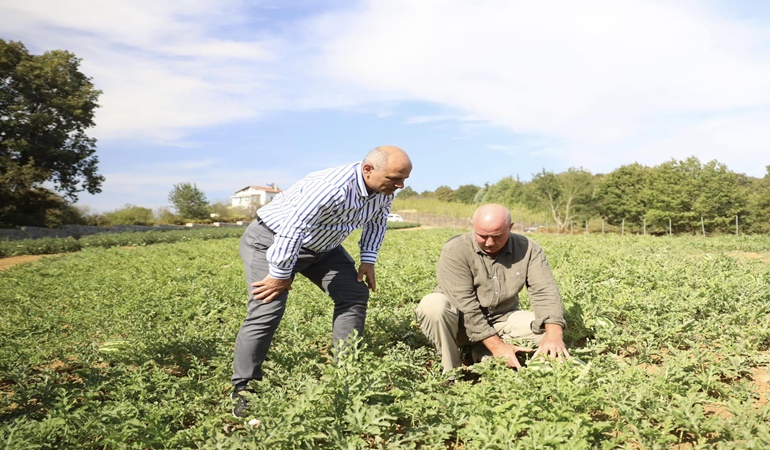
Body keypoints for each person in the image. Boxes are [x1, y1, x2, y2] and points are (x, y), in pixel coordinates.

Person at [230, 145, 413, 418]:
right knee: (267, 308)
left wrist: (368, 260)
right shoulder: (331, 187)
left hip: (323, 249)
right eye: (394, 179)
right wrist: (281, 275)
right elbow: (293, 229)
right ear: (368, 170)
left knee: (353, 294)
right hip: (272, 241)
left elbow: (377, 222)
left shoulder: (382, 190)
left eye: (403, 180)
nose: (399, 186)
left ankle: (346, 371)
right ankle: (244, 388)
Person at [415, 204, 570, 375]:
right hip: (459, 325)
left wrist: (554, 334)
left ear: (510, 228)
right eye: (482, 236)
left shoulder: (529, 249)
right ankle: (452, 371)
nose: (489, 243)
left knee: (548, 330)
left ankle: (482, 352)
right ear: (473, 226)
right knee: (432, 306)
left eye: (497, 236)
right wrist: (497, 346)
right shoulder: (455, 250)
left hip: (502, 318)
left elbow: (545, 290)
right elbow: (465, 306)